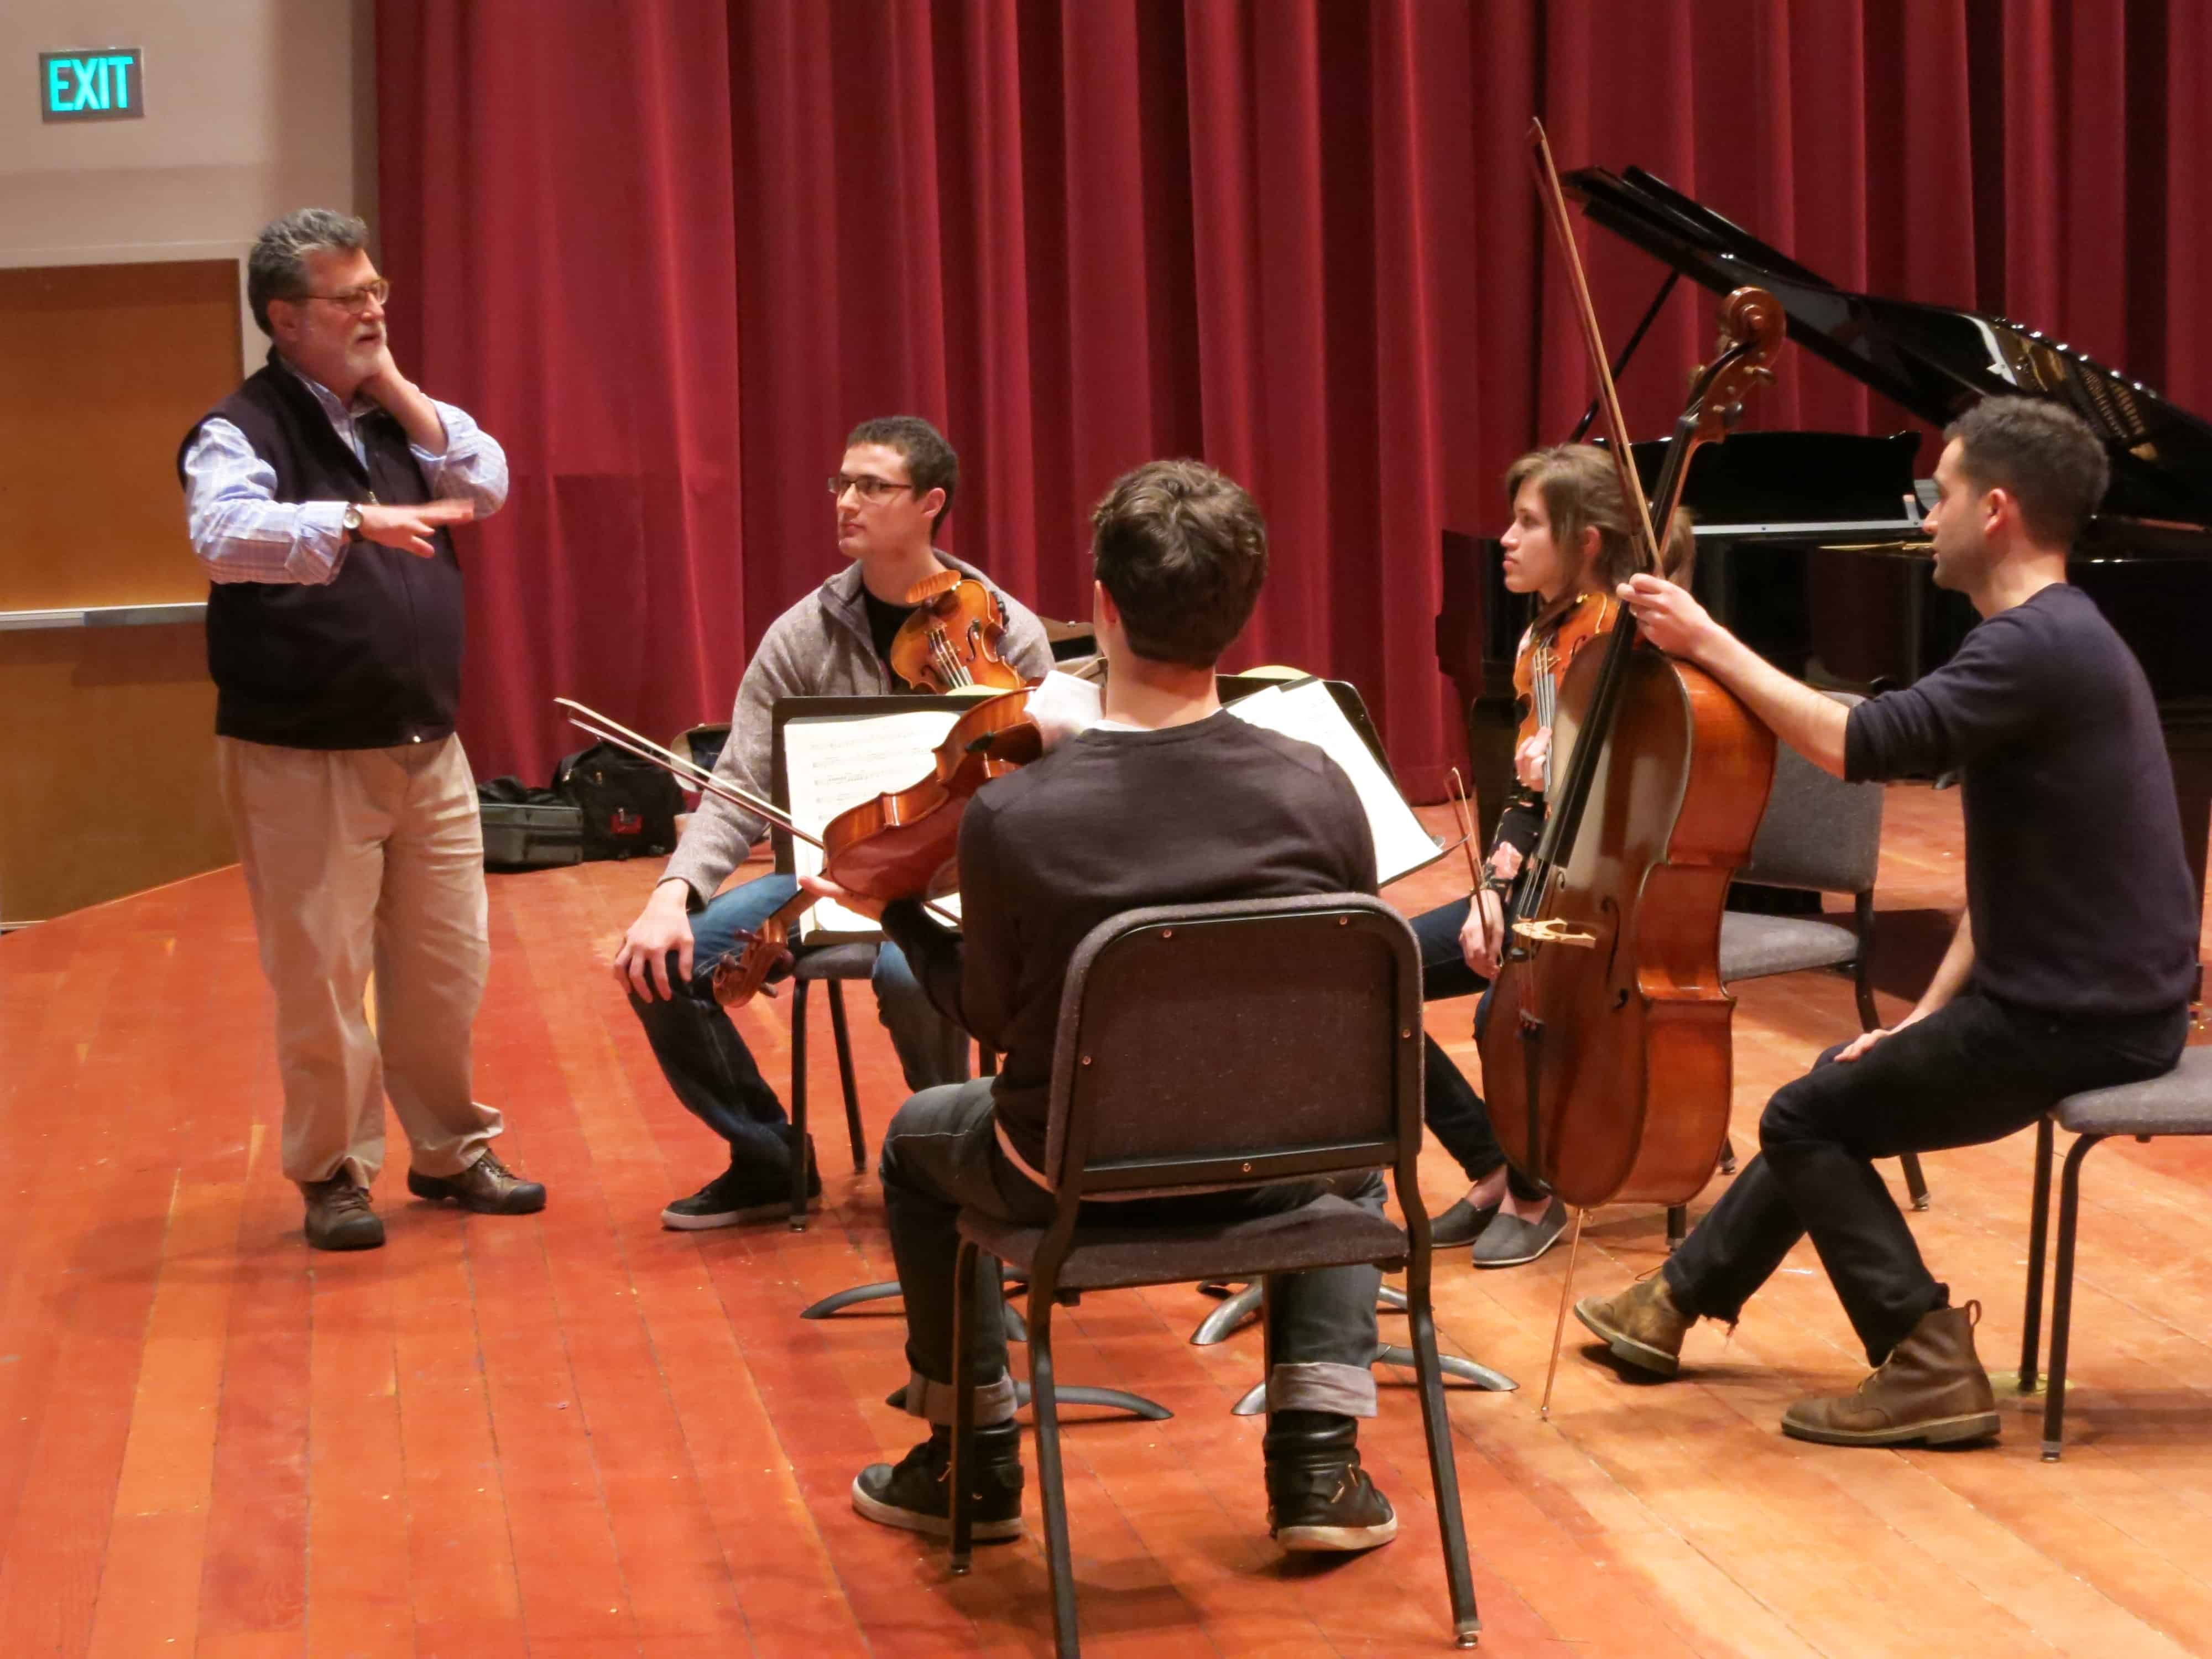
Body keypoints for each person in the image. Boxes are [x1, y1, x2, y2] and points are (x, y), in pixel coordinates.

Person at [802, 458, 1399, 1553]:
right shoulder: (1322, 785)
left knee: (914, 1139)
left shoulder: (1020, 816)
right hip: (1282, 1165)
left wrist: (896, 915)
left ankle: (972, 1462)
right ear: (1243, 608)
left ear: (1105, 609)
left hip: (1072, 1175)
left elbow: (992, 1022)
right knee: (1348, 1146)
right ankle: (1318, 1468)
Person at [1574, 397, 2195, 1446]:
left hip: (2076, 1022)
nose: (1926, 515)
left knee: (1803, 1117)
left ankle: (1924, 1359)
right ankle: (1669, 1305)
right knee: (1837, 1089)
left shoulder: (2034, 649)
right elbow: (2011, 886)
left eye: (1941, 494)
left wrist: (1710, 642)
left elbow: (1857, 744)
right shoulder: (2061, 635)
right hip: (2089, 1004)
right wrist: (1925, 1019)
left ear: (1996, 511)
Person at [179, 208, 543, 1251]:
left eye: (378, 290)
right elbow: (221, 535)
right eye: (350, 298)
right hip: (303, 755)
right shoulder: (239, 429)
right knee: (323, 979)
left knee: (445, 968)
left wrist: (391, 383)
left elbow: (486, 482)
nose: (375, 309)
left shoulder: (400, 420)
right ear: (286, 319)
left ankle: (451, 1150)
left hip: (428, 746)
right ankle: (334, 1170)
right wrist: (350, 519)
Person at [613, 416, 1052, 1229]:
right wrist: (672, 893)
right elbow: (739, 781)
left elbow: (1049, 782)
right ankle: (768, 1158)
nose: (846, 502)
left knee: (911, 973)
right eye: (841, 484)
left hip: (961, 883)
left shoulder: (1003, 629)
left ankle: (960, 1154)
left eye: (872, 487)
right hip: (826, 873)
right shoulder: (803, 632)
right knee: (664, 964)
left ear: (930, 504)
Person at [1415, 445, 1692, 1265]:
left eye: (1528, 524)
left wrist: (1571, 772)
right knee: (1370, 968)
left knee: (1501, 1011)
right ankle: (1494, 1164)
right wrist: (1491, 890)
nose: (1505, 539)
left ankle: (1538, 1192)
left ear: (1587, 542)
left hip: (1615, 893)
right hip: (1544, 882)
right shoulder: (1542, 640)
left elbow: (1641, 794)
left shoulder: (1632, 639)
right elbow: (1527, 796)